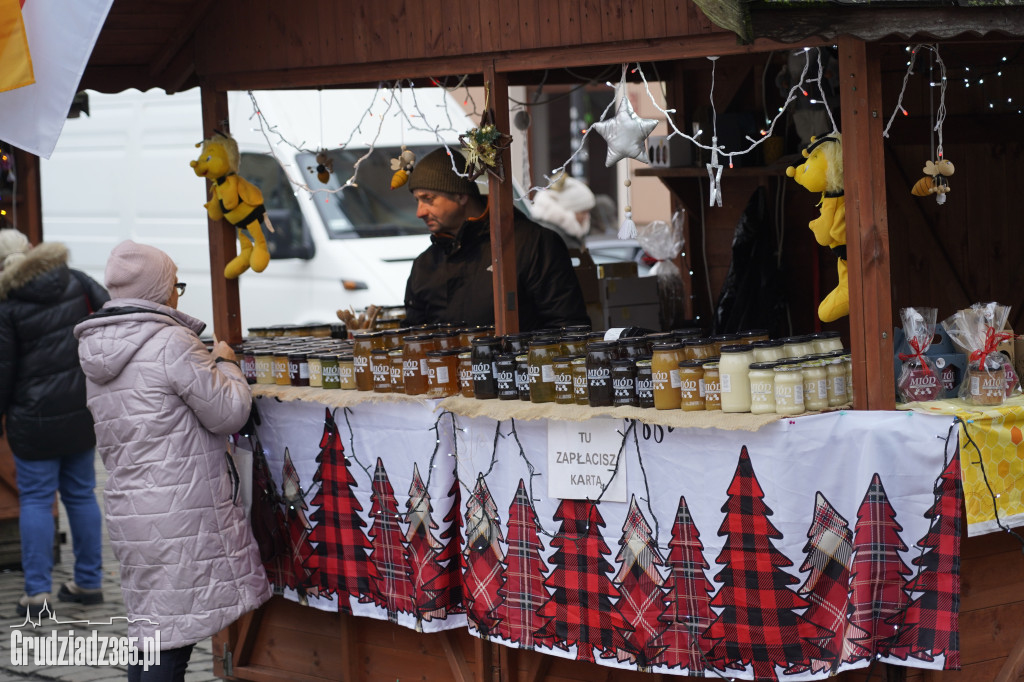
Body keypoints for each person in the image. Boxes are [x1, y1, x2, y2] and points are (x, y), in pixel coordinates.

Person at [74, 241, 271, 681]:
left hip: (132, 507)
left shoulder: (98, 347)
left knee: (153, 628)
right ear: (160, 290)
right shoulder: (171, 341)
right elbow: (228, 413)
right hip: (181, 509)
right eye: (174, 284)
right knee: (172, 639)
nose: (177, 294)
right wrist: (227, 365)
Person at [0, 228, 108, 618]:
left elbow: (3, 372)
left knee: (35, 499)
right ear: (29, 250)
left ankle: (37, 593)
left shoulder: (8, 305)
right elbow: (111, 311)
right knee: (81, 494)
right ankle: (89, 583)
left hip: (33, 421)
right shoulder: (74, 279)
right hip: (81, 409)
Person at [403, 148, 590, 331]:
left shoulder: (532, 243)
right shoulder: (424, 265)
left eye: (428, 199)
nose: (420, 212)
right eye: (417, 201)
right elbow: (415, 339)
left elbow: (568, 326)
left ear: (460, 195)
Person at [528, 173, 597, 240]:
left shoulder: (562, 232)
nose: (587, 217)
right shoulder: (552, 237)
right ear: (569, 209)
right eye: (583, 212)